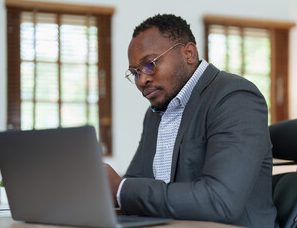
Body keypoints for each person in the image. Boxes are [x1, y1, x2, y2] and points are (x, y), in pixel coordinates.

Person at [105, 14, 277, 227]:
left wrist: (121, 189)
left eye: (149, 65)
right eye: (135, 72)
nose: (142, 80)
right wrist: (103, 190)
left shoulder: (234, 97)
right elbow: (135, 182)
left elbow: (221, 201)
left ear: (189, 53)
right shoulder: (155, 113)